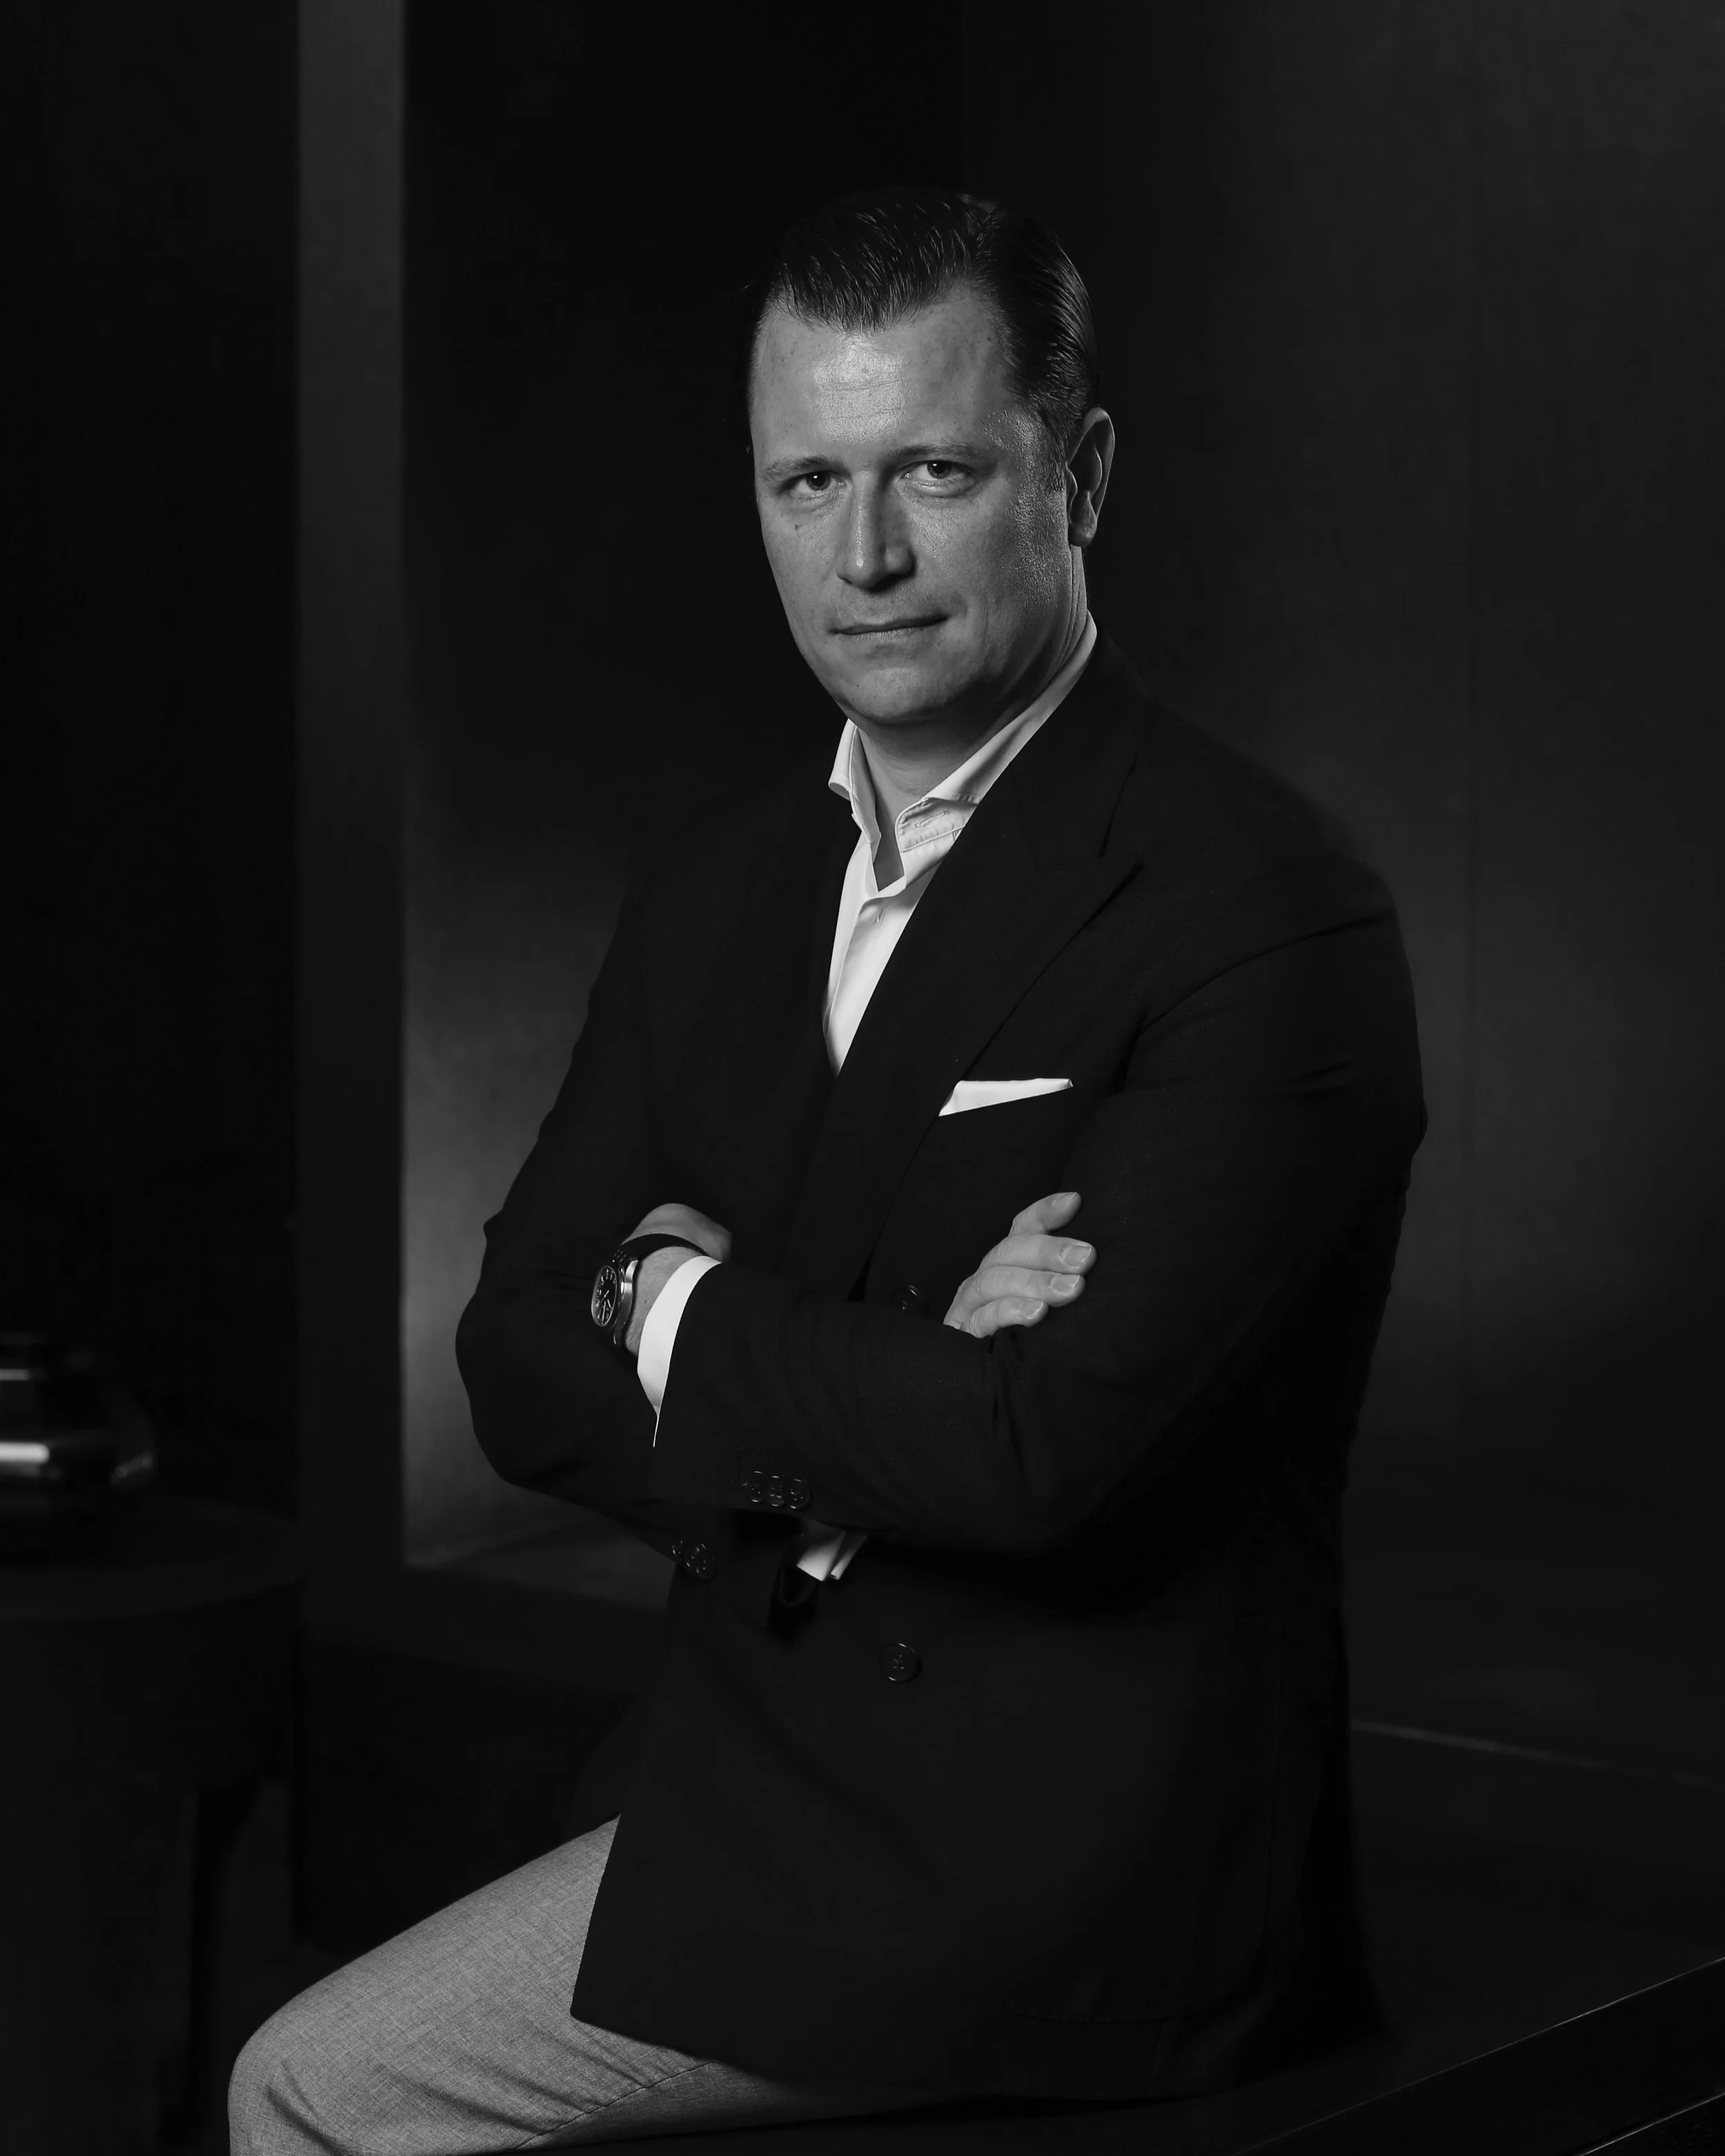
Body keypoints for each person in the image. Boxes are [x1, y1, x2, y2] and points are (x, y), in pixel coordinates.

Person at [232, 187, 1425, 2151]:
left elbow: (1044, 1454)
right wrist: (889, 1367)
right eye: (807, 481)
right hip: (755, 1752)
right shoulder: (723, 887)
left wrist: (677, 1294)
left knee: (302, 2087)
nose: (862, 553)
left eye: (935, 471)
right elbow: (515, 1361)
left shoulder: (1256, 906)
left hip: (1062, 1858)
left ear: (1081, 473)